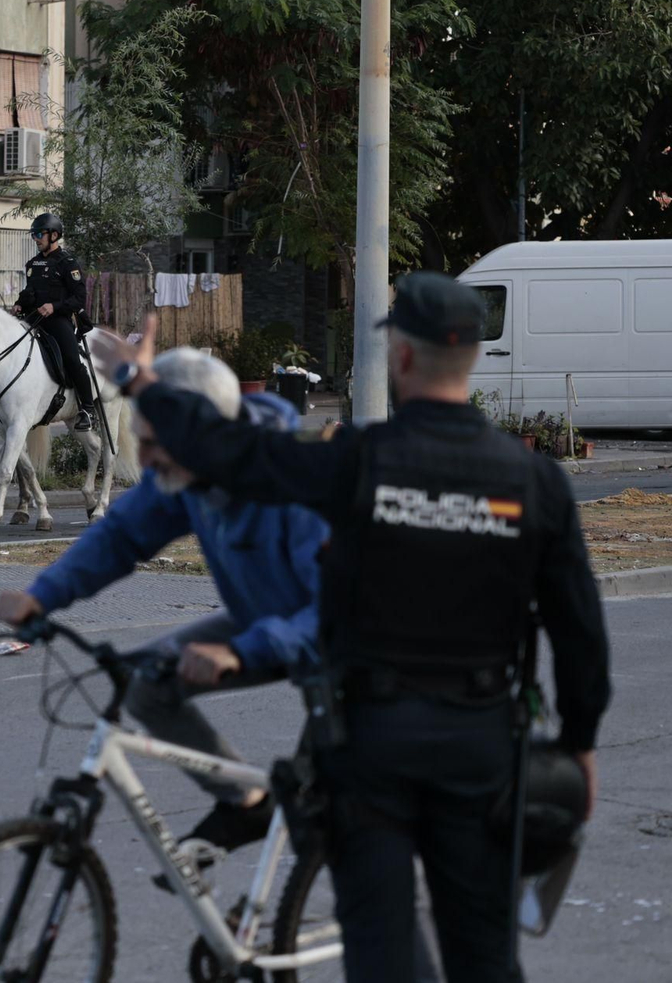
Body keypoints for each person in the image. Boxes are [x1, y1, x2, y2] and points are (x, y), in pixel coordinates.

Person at [98, 273, 611, 983]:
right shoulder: (535, 483)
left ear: (401, 356)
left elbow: (232, 452)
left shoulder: (355, 461)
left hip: (372, 749)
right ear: (469, 361)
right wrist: (581, 742)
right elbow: (581, 633)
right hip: (483, 748)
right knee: (484, 956)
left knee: (383, 951)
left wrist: (139, 382)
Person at [0, 347, 325, 863]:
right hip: (262, 625)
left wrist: (244, 652)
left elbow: (337, 613)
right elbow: (121, 536)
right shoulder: (185, 471)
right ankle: (248, 803)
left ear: (201, 431)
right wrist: (43, 596)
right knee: (148, 684)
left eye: (154, 443)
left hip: (347, 649)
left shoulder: (293, 477)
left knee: (330, 823)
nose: (144, 460)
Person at [12, 212, 95, 431]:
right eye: (34, 235)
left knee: (72, 359)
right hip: (34, 319)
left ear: (54, 235)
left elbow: (79, 297)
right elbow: (31, 291)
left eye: (40, 234)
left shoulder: (67, 263)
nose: (36, 239)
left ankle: (87, 408)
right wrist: (20, 302)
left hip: (58, 320)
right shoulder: (33, 264)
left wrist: (54, 307)